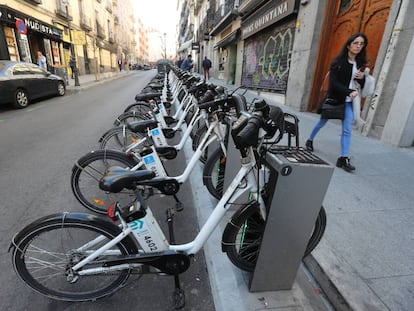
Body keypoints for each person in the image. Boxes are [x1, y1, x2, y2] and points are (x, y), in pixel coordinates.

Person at [305, 32, 368, 172]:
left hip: (350, 102)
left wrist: (362, 77)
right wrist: (348, 92)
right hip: (336, 99)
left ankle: (343, 158)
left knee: (347, 129)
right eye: (355, 43)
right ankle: (309, 139)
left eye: (361, 44)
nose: (358, 46)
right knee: (322, 122)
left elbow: (361, 85)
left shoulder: (360, 64)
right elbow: (333, 84)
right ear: (348, 45)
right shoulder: (338, 63)